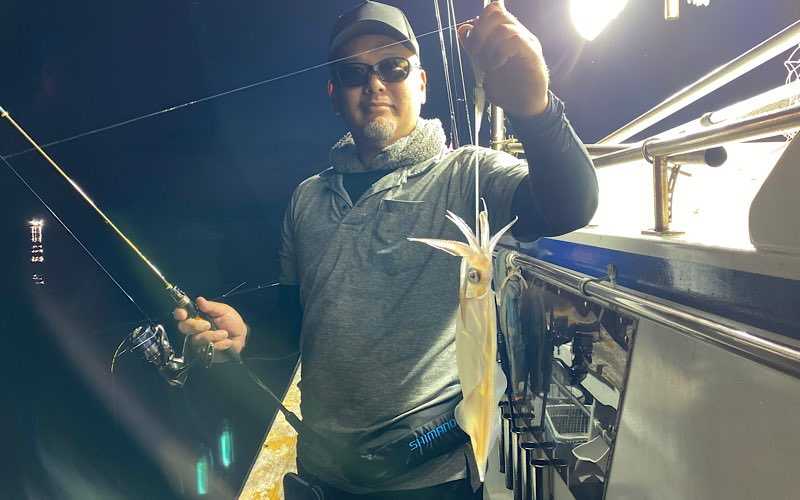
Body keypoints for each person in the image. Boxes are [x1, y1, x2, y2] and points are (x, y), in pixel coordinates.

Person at [174, 1, 598, 498]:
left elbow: (568, 206)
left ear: (421, 83)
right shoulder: (307, 198)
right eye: (353, 73)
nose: (374, 83)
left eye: (393, 67)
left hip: (429, 481)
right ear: (334, 95)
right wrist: (247, 334)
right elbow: (298, 320)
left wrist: (536, 108)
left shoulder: (468, 174)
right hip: (321, 475)